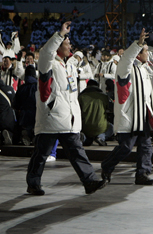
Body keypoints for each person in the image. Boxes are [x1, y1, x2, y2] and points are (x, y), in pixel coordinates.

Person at [26, 21, 106, 196]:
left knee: (77, 152)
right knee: (40, 155)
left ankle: (89, 180)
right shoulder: (48, 64)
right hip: (51, 118)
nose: (69, 44)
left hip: (67, 119)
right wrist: (60, 34)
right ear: (58, 46)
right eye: (66, 43)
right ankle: (33, 183)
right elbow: (46, 52)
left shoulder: (67, 65)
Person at [101, 29, 153, 186]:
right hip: (131, 117)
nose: (148, 54)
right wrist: (138, 44)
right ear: (138, 54)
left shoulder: (144, 68)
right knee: (126, 147)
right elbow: (127, 59)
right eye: (145, 51)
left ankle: (143, 173)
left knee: (146, 145)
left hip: (143, 115)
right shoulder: (125, 68)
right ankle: (107, 165)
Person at [78, 79, 113, 146]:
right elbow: (111, 108)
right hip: (100, 127)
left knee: (87, 138)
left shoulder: (81, 97)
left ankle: (84, 138)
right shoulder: (104, 97)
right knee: (111, 127)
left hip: (85, 126)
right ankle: (101, 137)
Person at [13, 65, 38, 146]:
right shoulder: (38, 87)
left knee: (25, 126)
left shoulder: (21, 87)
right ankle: (35, 136)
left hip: (24, 115)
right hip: (36, 114)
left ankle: (25, 134)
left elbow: (16, 104)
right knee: (35, 127)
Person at [0, 77, 16, 145]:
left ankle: (4, 136)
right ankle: (9, 134)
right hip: (10, 116)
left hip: (1, 117)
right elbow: (15, 102)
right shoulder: (10, 88)